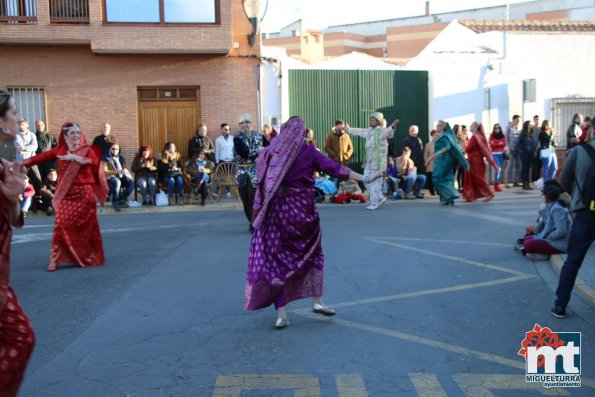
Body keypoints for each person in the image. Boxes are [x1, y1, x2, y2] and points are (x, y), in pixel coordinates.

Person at [244, 116, 369, 329]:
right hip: (304, 211)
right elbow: (336, 169)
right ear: (302, 133)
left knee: (278, 260)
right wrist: (365, 177)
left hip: (279, 213)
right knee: (313, 254)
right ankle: (318, 302)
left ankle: (281, 315)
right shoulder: (308, 151)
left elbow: (261, 175)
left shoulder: (273, 152)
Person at [23, 121, 109, 271]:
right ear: (65, 136)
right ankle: (55, 259)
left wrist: (76, 158)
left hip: (84, 193)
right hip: (66, 194)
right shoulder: (60, 150)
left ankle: (87, 256)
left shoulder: (87, 150)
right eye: (72, 133)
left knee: (86, 228)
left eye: (78, 132)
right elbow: (40, 157)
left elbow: (95, 162)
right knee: (60, 225)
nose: (76, 135)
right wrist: (21, 163)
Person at [551, 125, 595, 318]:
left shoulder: (578, 152)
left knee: (573, 260)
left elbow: (564, 181)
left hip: (584, 212)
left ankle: (560, 304)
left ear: (592, 131)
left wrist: (578, 198)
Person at [346, 112, 399, 210]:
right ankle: (380, 197)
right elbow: (359, 131)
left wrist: (393, 126)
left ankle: (375, 203)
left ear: (378, 122)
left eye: (373, 120)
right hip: (368, 162)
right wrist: (348, 129)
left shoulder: (382, 131)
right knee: (366, 180)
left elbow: (389, 132)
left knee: (375, 183)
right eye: (371, 120)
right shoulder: (369, 131)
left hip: (378, 162)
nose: (371, 121)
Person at [519, 185, 571, 260]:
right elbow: (542, 224)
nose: (542, 196)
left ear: (548, 197)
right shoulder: (550, 206)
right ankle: (535, 252)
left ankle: (545, 254)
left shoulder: (558, 210)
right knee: (527, 239)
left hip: (560, 242)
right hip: (550, 238)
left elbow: (561, 231)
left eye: (543, 195)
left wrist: (546, 237)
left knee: (528, 244)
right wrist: (534, 231)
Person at [234, 113, 263, 232]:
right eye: (242, 123)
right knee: (245, 199)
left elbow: (264, 150)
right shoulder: (237, 137)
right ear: (239, 125)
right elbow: (243, 153)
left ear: (251, 123)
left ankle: (255, 222)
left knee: (254, 198)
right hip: (241, 172)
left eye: (247, 122)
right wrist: (257, 153)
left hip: (255, 171)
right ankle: (251, 220)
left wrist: (259, 152)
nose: (245, 125)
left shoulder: (258, 135)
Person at [431, 121, 469, 206]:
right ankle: (446, 199)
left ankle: (452, 194)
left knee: (436, 178)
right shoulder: (444, 136)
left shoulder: (444, 136)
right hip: (443, 160)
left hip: (444, 160)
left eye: (437, 126)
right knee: (447, 178)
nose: (436, 127)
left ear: (441, 127)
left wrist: (436, 154)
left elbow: (447, 147)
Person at [462, 122, 498, 203]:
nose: (470, 127)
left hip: (475, 161)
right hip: (476, 160)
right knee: (474, 178)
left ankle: (490, 192)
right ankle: (471, 196)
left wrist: (465, 144)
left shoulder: (475, 137)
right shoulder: (478, 136)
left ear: (475, 127)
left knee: (478, 178)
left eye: (471, 126)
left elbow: (468, 148)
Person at [103, 143, 134, 211]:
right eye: (113, 149)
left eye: (117, 149)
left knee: (131, 183)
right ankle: (115, 202)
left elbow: (124, 168)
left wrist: (127, 174)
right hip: (110, 178)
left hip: (121, 176)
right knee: (117, 182)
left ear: (119, 150)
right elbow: (105, 172)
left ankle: (121, 199)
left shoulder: (121, 158)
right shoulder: (105, 157)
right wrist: (116, 171)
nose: (115, 150)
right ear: (110, 149)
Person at [17, 118, 42, 193]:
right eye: (19, 124)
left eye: (23, 124)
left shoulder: (32, 135)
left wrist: (24, 148)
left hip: (32, 161)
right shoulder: (15, 136)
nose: (21, 126)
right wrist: (27, 148)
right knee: (22, 182)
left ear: (27, 125)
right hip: (21, 162)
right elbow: (17, 147)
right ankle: (24, 198)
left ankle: (38, 197)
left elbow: (34, 147)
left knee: (37, 180)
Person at [517, 120, 537, 190]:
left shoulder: (531, 134)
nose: (530, 126)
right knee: (525, 169)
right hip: (524, 154)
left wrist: (534, 150)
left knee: (528, 169)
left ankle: (527, 184)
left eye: (531, 125)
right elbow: (518, 144)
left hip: (530, 154)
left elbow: (533, 144)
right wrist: (524, 149)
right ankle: (525, 184)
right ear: (525, 126)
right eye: (529, 125)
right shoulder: (522, 134)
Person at [489, 123, 507, 192]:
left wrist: (497, 143)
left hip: (501, 154)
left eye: (498, 128)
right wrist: (499, 143)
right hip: (494, 154)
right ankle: (496, 185)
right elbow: (491, 144)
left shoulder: (503, 135)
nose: (497, 129)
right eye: (496, 128)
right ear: (494, 129)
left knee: (500, 169)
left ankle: (497, 183)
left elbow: (504, 143)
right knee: (498, 168)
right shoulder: (491, 135)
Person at [505, 114, 521, 187]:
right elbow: (506, 139)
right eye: (517, 120)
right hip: (511, 149)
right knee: (510, 165)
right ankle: (507, 182)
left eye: (519, 121)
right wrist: (508, 148)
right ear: (513, 120)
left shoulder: (519, 128)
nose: (518, 122)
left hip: (518, 149)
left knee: (517, 165)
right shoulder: (508, 128)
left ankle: (515, 181)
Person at [423, 129, 438, 195]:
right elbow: (425, 154)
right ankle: (431, 191)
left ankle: (438, 190)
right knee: (430, 178)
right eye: (435, 135)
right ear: (432, 136)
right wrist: (426, 161)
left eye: (437, 135)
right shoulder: (428, 145)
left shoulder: (440, 144)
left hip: (438, 164)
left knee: (437, 178)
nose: (436, 136)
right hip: (430, 163)